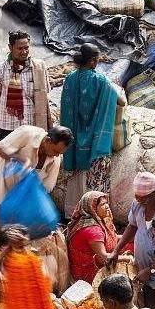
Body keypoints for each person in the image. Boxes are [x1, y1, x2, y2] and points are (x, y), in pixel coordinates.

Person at [59, 42, 123, 210]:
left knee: (76, 182)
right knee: (95, 179)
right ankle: (93, 213)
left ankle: (73, 214)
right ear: (93, 61)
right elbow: (121, 101)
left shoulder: (70, 79)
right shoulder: (101, 80)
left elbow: (66, 109)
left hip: (73, 141)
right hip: (96, 142)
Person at [109, 172, 155, 309]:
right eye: (136, 196)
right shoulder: (137, 205)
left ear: (154, 193)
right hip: (142, 270)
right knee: (148, 307)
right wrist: (116, 250)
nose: (138, 199)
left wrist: (152, 270)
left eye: (143, 197)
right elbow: (132, 226)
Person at [0, 225, 57, 309]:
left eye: (23, 246)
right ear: (2, 248)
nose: (23, 250)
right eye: (17, 246)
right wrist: (9, 248)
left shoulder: (34, 268)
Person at [0, 123, 72, 212]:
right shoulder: (27, 133)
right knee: (0, 204)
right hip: (7, 176)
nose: (57, 155)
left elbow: (46, 188)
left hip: (27, 193)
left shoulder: (55, 160)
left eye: (59, 153)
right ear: (48, 141)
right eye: (55, 151)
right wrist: (19, 159)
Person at [0, 30, 50, 139]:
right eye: (20, 48)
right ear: (10, 47)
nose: (24, 52)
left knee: (30, 156)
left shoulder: (39, 68)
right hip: (6, 125)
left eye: (26, 48)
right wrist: (11, 111)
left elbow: (44, 95)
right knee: (6, 156)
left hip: (32, 125)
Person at [65, 191, 117, 285]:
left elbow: (113, 238)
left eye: (106, 203)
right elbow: (105, 257)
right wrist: (128, 258)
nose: (107, 206)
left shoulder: (91, 221)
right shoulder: (92, 229)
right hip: (87, 276)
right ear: (92, 208)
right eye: (102, 204)